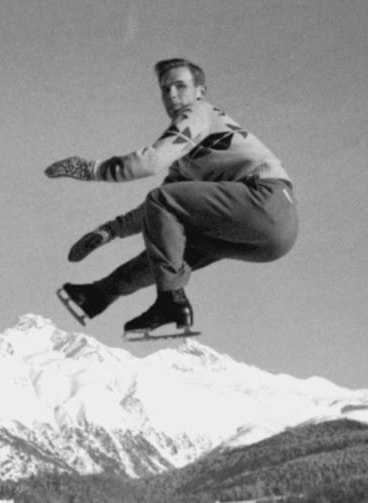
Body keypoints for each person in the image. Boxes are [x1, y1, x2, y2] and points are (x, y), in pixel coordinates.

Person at [45, 58, 298, 339]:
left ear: (201, 90)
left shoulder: (200, 112)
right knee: (172, 245)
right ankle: (99, 294)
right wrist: (110, 230)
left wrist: (90, 169)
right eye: (165, 89)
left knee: (163, 202)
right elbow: (156, 215)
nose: (172, 96)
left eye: (181, 86)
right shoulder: (186, 162)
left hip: (264, 198)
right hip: (269, 240)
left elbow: (151, 163)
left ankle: (170, 302)